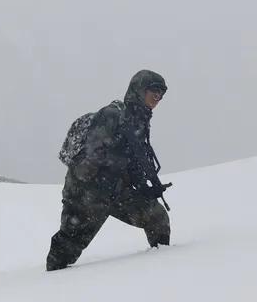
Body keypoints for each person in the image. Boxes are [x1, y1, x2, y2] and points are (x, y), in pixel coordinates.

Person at [46, 70, 171, 271]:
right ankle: (46, 285)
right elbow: (91, 158)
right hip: (87, 192)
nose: (158, 97)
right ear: (138, 90)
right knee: (67, 246)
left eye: (161, 93)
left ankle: (163, 268)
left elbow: (133, 162)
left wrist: (143, 187)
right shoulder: (111, 116)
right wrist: (105, 186)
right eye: (153, 91)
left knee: (157, 217)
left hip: (114, 190)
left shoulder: (139, 121)